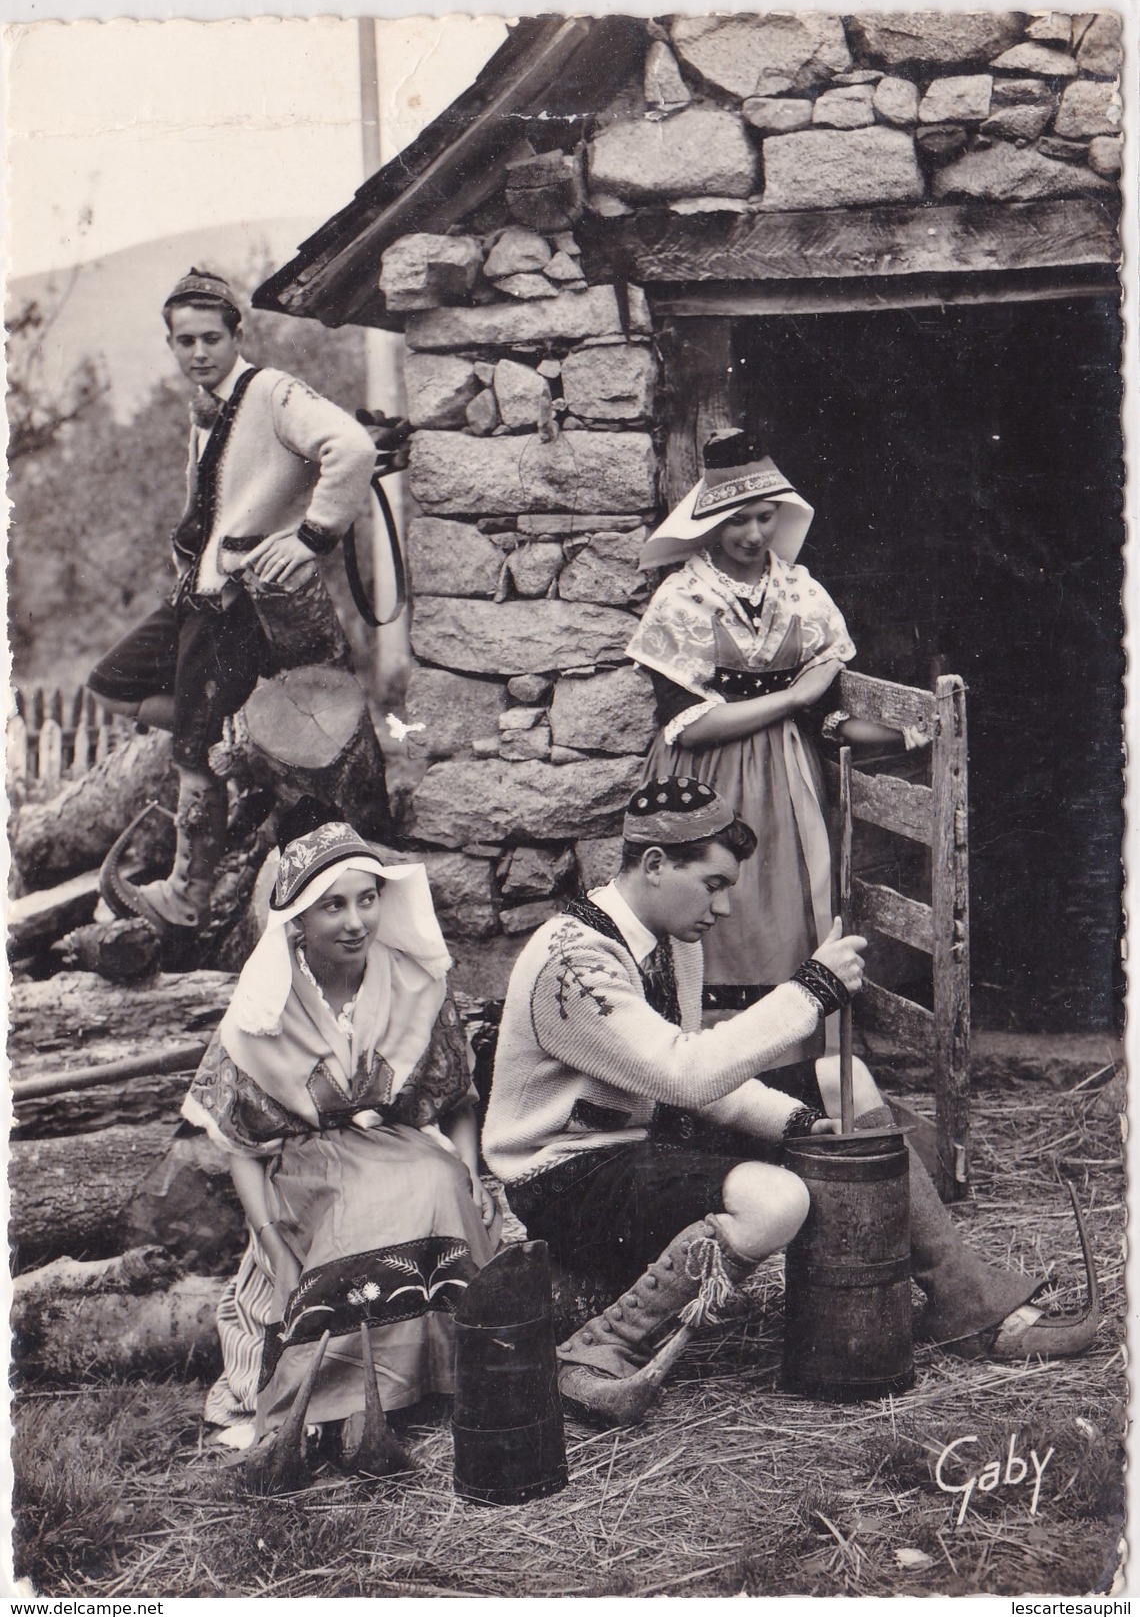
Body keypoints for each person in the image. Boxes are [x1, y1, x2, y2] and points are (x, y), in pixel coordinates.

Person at [482, 778, 1098, 1428]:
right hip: (563, 1173)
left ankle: (960, 1299)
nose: (722, 908)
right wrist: (810, 990)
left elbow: (696, 1083)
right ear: (656, 866)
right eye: (714, 883)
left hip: (651, 1133)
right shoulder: (574, 964)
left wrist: (800, 1123)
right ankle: (597, 1349)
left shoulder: (670, 940)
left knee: (845, 1079)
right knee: (777, 1200)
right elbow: (686, 1074)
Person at [182, 820, 500, 1476]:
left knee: (436, 1181)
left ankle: (424, 1380)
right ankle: (342, 1400)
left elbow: (456, 1100)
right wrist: (271, 1244)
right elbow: (242, 1146)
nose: (355, 921)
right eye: (333, 904)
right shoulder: (265, 1007)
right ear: (298, 919)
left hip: (398, 1144)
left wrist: (470, 1171)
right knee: (366, 1203)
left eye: (366, 899)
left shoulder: (414, 985)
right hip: (301, 1165)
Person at [89, 269, 377, 933]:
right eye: (184, 341)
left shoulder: (271, 391)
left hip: (238, 607)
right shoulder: (204, 408)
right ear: (171, 344)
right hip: (197, 596)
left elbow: (352, 447)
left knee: (190, 755)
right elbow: (206, 511)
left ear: (237, 334)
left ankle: (186, 896)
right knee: (107, 683)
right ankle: (232, 726)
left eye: (211, 338)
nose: (198, 352)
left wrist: (312, 536)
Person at [627, 429, 924, 1052]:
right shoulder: (682, 597)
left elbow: (828, 716)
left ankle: (789, 1066)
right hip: (701, 781)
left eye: (765, 517)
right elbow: (690, 722)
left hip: (787, 786)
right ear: (710, 519)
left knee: (787, 919)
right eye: (737, 520)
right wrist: (792, 697)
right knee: (706, 915)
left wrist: (904, 734)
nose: (754, 534)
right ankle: (699, 1070)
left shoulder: (802, 594)